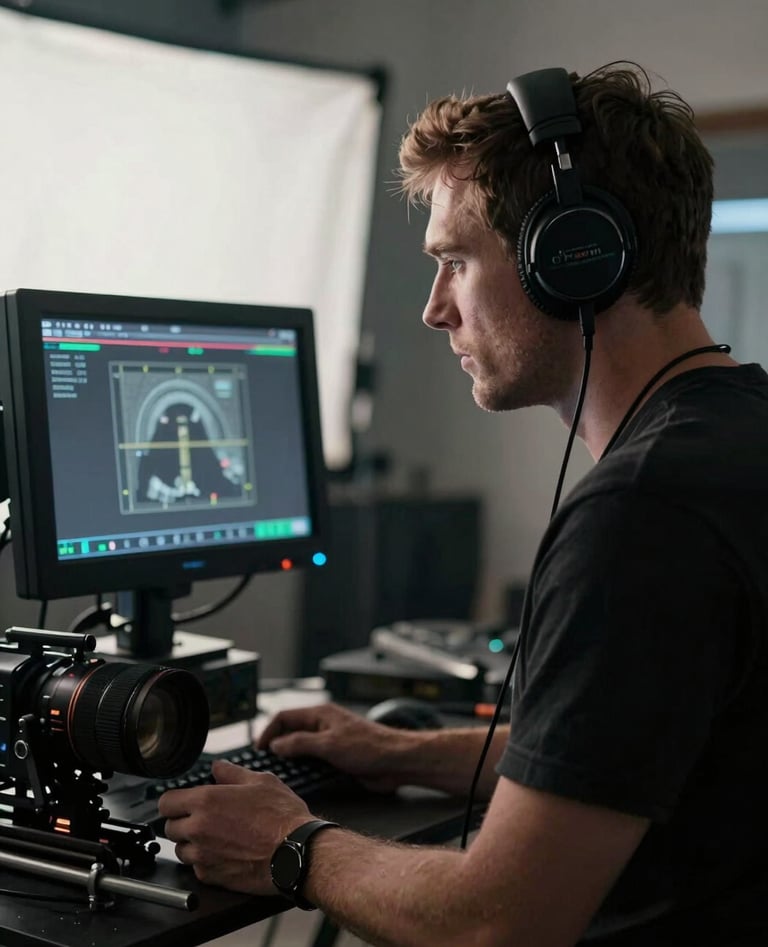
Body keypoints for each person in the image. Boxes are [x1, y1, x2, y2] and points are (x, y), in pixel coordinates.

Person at [158, 63, 768, 946]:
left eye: (453, 260)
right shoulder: (736, 437)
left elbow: (499, 923)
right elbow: (638, 760)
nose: (433, 309)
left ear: (574, 259)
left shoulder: (641, 516)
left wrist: (291, 846)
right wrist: (398, 753)